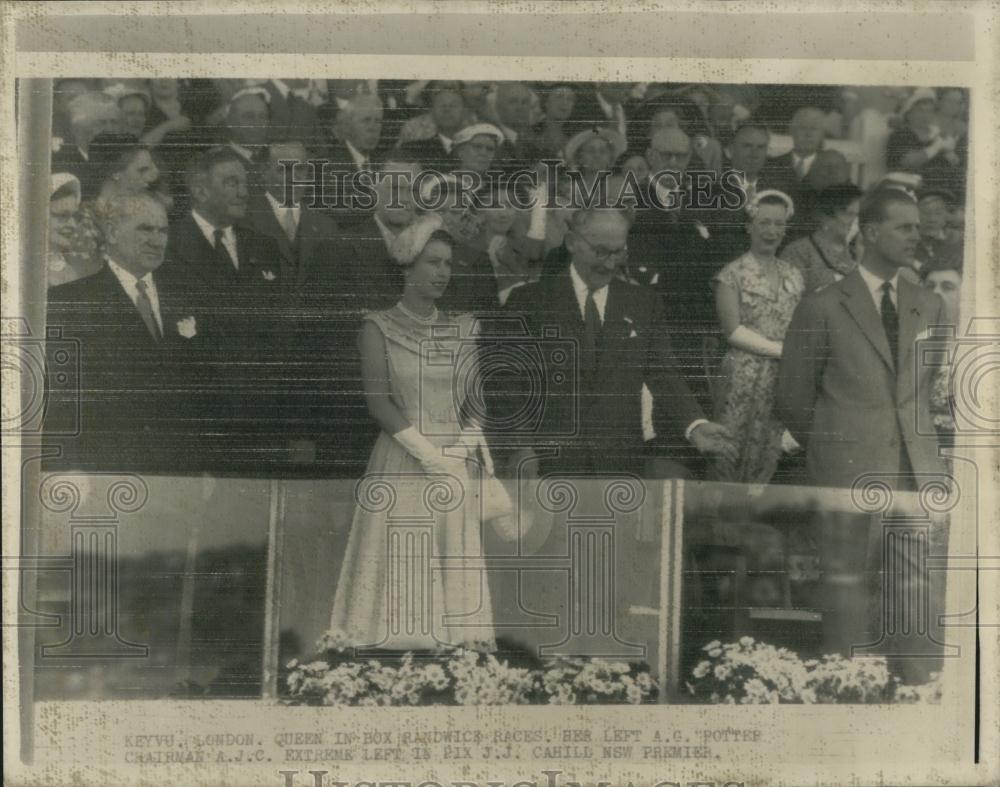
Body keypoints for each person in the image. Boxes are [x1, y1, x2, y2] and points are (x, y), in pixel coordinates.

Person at [328, 214, 497, 651]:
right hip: (404, 460)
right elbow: (379, 403)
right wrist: (429, 455)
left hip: (454, 464)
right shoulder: (377, 326)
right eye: (433, 263)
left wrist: (458, 453)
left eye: (447, 264)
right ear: (408, 267)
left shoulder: (463, 328)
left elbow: (476, 400)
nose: (443, 273)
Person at [501, 208, 736, 478]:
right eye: (601, 252)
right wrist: (520, 447)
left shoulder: (643, 303)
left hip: (619, 466)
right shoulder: (528, 303)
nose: (611, 264)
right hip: (547, 464)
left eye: (618, 252)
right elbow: (507, 383)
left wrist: (694, 424)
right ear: (572, 242)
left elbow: (662, 373)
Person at [776, 187, 948, 490]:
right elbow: (793, 400)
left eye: (918, 228)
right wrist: (837, 445)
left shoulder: (931, 306)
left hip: (917, 476)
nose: (915, 237)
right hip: (846, 475)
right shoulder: (821, 306)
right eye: (904, 228)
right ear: (871, 232)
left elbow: (925, 389)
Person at [45, 192, 202, 470]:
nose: (157, 240)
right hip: (104, 469)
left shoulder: (186, 297)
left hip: (179, 471)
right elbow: (61, 400)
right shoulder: (71, 302)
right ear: (114, 234)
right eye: (145, 229)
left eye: (163, 231)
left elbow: (201, 390)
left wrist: (205, 465)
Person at [709, 191, 805, 484]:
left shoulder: (794, 275)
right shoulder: (732, 274)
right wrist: (781, 351)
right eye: (764, 222)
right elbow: (733, 331)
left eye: (778, 224)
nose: (771, 231)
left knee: (769, 450)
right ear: (749, 226)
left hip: (782, 377)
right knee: (730, 451)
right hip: (743, 373)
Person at [781, 183, 862, 292]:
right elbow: (789, 298)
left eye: (857, 215)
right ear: (826, 216)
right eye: (849, 214)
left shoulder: (858, 251)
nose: (855, 222)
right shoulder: (799, 252)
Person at [47, 173, 102, 287]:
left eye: (74, 216)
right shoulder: (19, 267)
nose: (72, 224)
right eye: (62, 215)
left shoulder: (74, 270)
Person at [763, 107, 827, 194]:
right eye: (802, 128)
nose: (808, 134)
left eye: (814, 128)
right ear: (792, 131)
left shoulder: (831, 169)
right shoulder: (772, 166)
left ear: (822, 134)